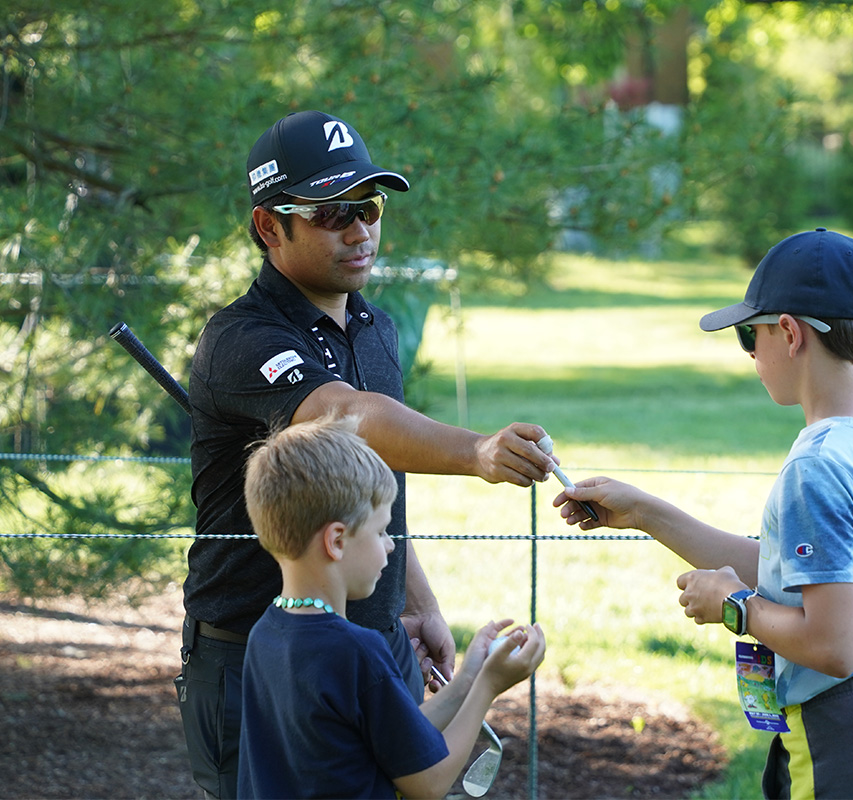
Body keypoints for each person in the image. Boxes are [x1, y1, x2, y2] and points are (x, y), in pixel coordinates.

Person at [179, 109, 565, 799]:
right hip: (257, 650)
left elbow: (366, 487)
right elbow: (350, 418)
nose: (360, 230)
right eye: (331, 213)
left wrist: (414, 605)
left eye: (369, 206)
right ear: (271, 226)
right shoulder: (242, 340)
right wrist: (477, 451)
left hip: (372, 638)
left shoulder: (375, 329)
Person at [554, 229, 853, 799]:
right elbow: (809, 581)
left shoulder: (817, 467)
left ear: (791, 333)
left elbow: (834, 646)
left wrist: (733, 607)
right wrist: (647, 512)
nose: (751, 353)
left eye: (751, 334)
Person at [238, 414, 545, 799]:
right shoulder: (356, 652)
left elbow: (395, 738)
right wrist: (488, 687)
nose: (391, 545)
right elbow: (428, 781)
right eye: (381, 530)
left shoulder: (265, 634)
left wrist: (467, 679)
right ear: (336, 541)